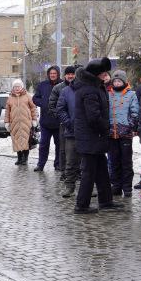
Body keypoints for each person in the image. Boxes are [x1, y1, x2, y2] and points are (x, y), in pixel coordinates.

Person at [71, 58, 115, 214]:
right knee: (89, 173)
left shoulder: (94, 86)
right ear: (96, 74)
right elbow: (93, 117)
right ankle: (81, 205)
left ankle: (106, 201)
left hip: (93, 138)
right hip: (90, 138)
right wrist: (106, 127)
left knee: (102, 170)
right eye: (103, 73)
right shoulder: (90, 90)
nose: (105, 75)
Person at [107, 70, 139, 197]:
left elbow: (135, 112)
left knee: (126, 161)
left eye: (119, 81)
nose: (117, 83)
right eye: (115, 81)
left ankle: (127, 187)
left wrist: (130, 125)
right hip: (111, 133)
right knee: (114, 161)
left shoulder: (131, 95)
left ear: (124, 81)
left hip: (125, 133)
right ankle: (116, 185)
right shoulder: (108, 94)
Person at [51, 66, 80, 196]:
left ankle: (87, 187)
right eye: (68, 74)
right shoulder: (64, 90)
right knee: (69, 158)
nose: (71, 76)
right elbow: (59, 108)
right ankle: (69, 185)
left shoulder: (87, 89)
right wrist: (67, 121)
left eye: (73, 74)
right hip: (69, 129)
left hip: (85, 131)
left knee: (86, 161)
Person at [33, 66, 63, 171]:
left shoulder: (63, 85)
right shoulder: (43, 85)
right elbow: (35, 98)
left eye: (54, 73)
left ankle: (58, 164)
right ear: (48, 74)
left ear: (58, 74)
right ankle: (40, 164)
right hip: (45, 122)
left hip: (59, 121)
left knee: (59, 145)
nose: (53, 75)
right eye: (51, 73)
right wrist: (43, 103)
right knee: (43, 144)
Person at [6, 79, 35, 166]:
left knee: (26, 141)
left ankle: (25, 159)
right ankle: (19, 158)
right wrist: (7, 122)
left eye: (18, 86)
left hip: (26, 122)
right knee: (16, 141)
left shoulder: (27, 96)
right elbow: (7, 111)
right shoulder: (10, 98)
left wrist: (34, 120)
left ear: (21, 87)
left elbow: (33, 108)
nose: (16, 88)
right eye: (15, 87)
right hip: (14, 123)